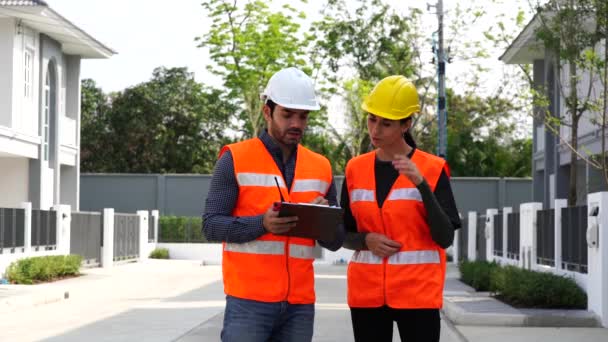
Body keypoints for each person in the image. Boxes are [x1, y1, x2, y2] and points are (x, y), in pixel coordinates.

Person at [203, 67, 344, 342]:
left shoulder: (321, 167)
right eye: (287, 114)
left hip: (300, 305)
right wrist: (262, 224)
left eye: (303, 116)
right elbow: (211, 225)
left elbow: (336, 240)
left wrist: (322, 222)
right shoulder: (234, 158)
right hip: (247, 302)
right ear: (267, 112)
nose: (296, 124)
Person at [341, 75, 461, 342]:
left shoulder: (431, 169)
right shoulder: (354, 169)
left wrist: (422, 185)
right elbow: (342, 232)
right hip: (367, 295)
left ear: (406, 123)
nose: (375, 130)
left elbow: (445, 238)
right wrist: (365, 240)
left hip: (418, 296)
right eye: (372, 119)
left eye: (386, 123)